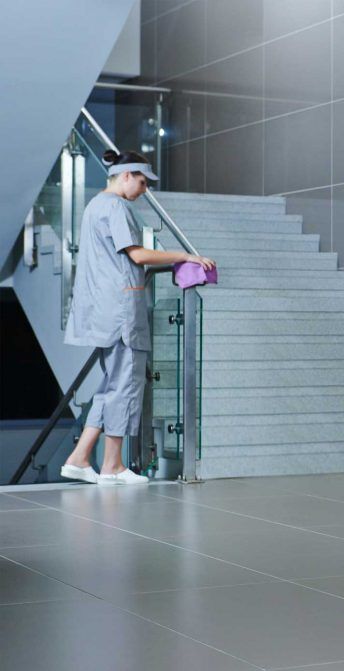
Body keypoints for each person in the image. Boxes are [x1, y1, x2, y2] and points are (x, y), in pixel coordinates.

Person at [60, 150, 215, 486]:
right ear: (126, 175)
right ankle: (112, 467)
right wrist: (185, 255)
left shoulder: (94, 206)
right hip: (121, 313)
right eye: (143, 182)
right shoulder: (116, 207)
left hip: (104, 311)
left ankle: (79, 457)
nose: (144, 190)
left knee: (110, 386)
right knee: (127, 386)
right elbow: (137, 253)